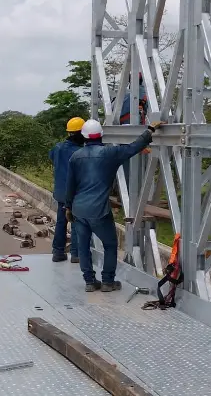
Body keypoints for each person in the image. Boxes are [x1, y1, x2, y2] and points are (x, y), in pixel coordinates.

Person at [65, 119, 162, 292]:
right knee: (110, 245)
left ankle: (89, 282)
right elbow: (134, 147)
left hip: (79, 209)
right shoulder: (111, 153)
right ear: (101, 135)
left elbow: (70, 185)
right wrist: (150, 130)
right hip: (99, 210)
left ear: (84, 136)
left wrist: (68, 207)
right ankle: (108, 282)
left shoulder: (75, 157)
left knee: (83, 246)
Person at [49, 117, 86, 263]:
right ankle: (76, 254)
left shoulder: (57, 148)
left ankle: (58, 252)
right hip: (75, 193)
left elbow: (52, 158)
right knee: (76, 222)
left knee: (61, 222)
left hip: (60, 193)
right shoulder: (79, 152)